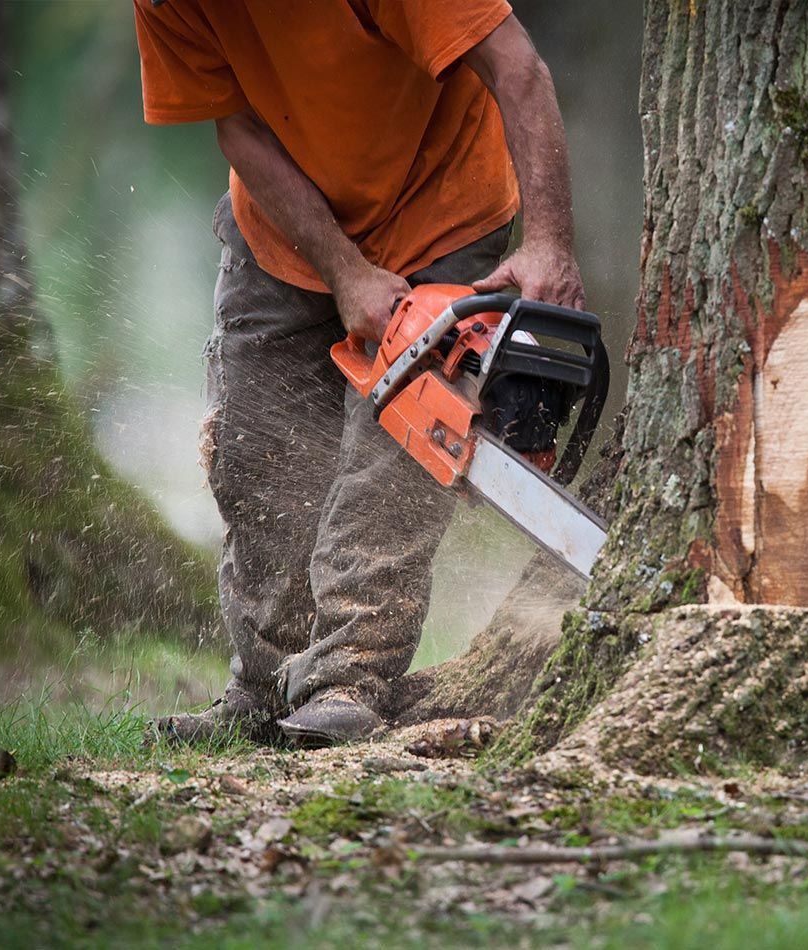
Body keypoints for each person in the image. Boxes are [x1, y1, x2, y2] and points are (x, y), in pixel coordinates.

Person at [133, 0, 584, 746]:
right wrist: (346, 271)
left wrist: (550, 245)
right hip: (282, 225)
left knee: (393, 461)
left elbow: (519, 68)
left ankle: (348, 679)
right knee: (256, 454)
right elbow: (235, 122)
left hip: (444, 206)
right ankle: (264, 685)